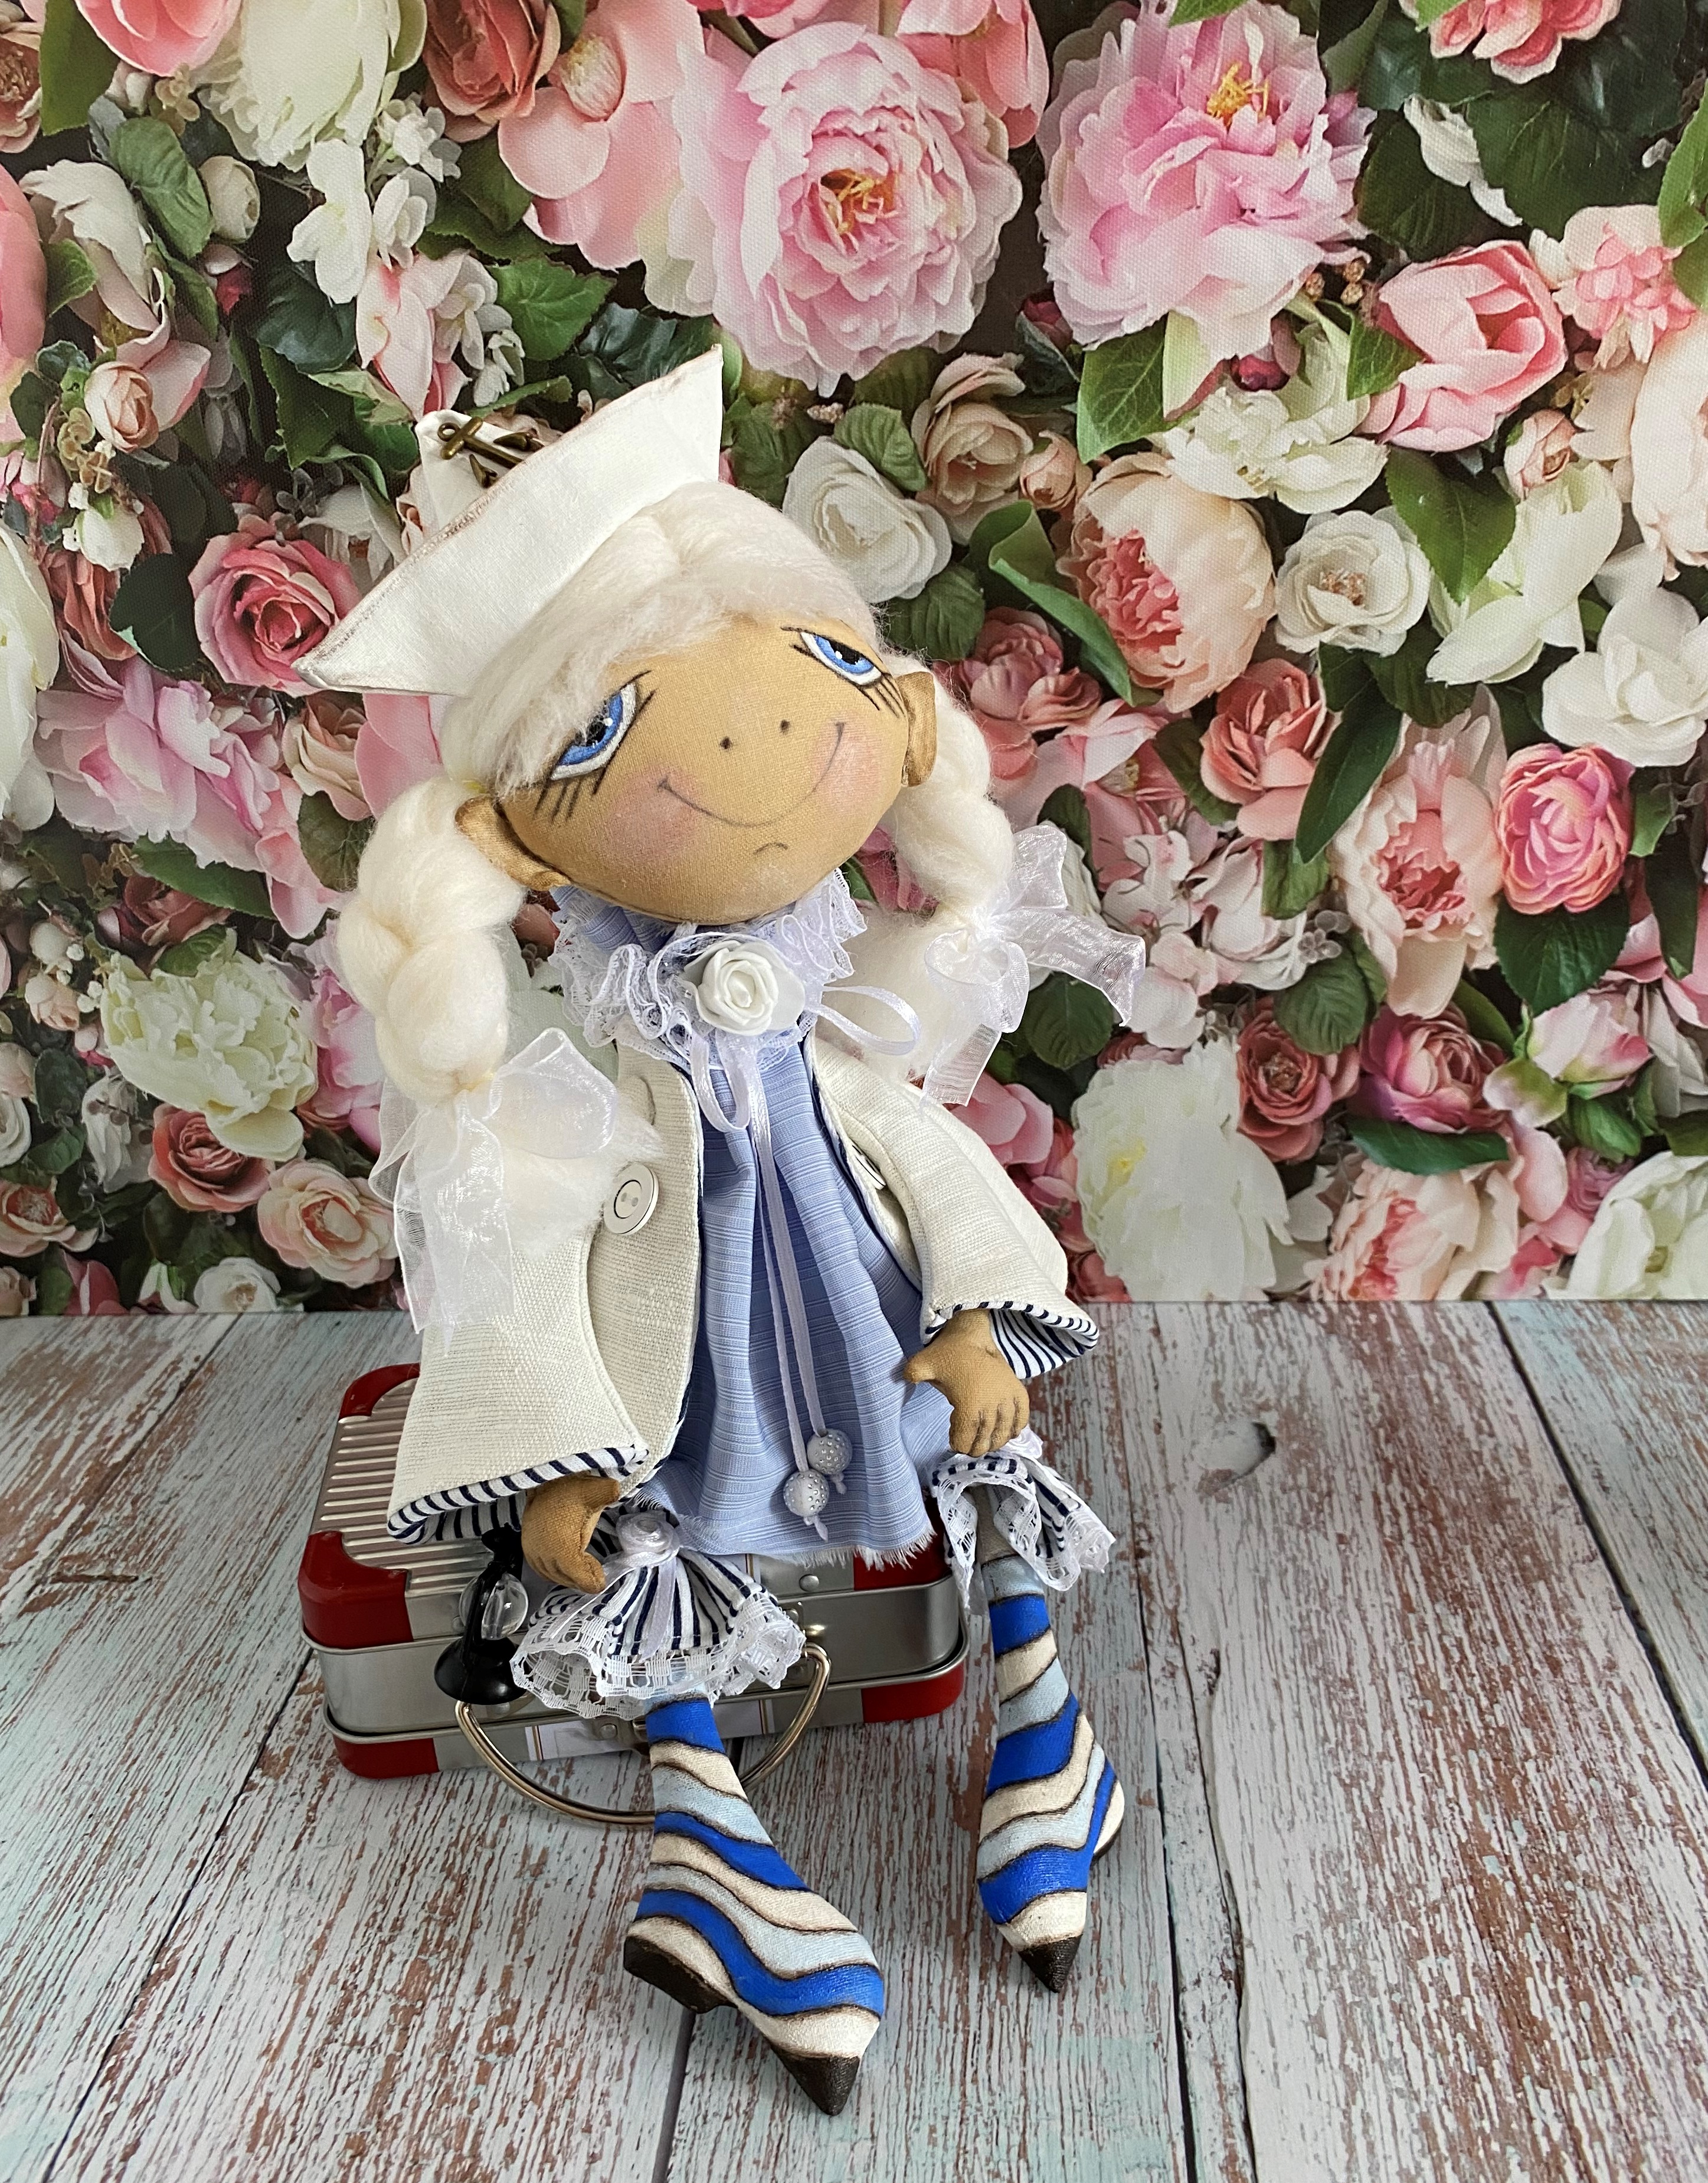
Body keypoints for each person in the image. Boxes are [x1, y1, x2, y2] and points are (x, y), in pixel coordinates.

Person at [305, 351, 1141, 2116]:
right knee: (649, 1542)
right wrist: (548, 1452)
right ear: (516, 830)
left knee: (977, 1455)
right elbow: (519, 1253)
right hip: (673, 1347)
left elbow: (921, 1149)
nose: (766, 744)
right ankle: (707, 1846)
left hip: (874, 1316)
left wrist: (988, 1309)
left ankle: (1050, 1732)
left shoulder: (842, 1018)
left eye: (821, 671)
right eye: (617, 730)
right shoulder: (563, 1089)